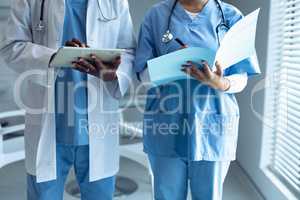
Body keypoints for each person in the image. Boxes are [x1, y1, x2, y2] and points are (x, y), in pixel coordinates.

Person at [0, 0, 135, 199]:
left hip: (97, 127)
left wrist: (113, 73)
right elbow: (10, 47)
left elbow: (129, 51)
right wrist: (55, 56)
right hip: (49, 125)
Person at [134, 0, 261, 199]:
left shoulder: (231, 16)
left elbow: (242, 77)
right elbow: (142, 76)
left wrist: (220, 82)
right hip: (165, 124)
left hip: (213, 125)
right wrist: (172, 64)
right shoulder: (156, 16)